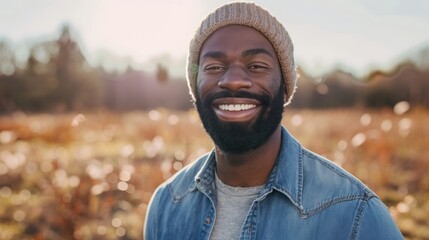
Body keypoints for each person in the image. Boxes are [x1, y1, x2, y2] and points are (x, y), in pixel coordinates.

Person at [144, 2, 403, 239]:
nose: (233, 80)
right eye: (214, 67)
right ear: (196, 87)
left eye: (256, 65)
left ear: (284, 87)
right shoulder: (166, 204)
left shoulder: (356, 214)